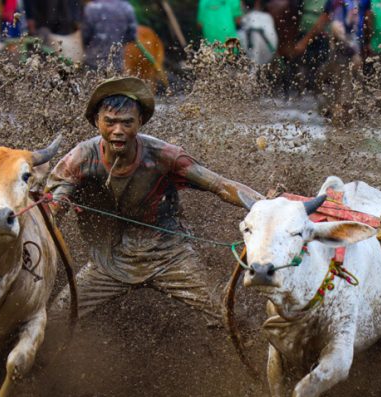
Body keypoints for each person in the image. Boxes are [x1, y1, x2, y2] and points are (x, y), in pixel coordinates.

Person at [45, 77, 263, 323]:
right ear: (97, 122)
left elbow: (221, 186)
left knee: (231, 316)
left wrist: (265, 205)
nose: (118, 130)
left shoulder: (164, 155)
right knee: (55, 320)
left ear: (140, 122)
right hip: (108, 262)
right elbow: (52, 205)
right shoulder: (81, 157)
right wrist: (55, 208)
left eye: (127, 122)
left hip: (169, 256)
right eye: (110, 122)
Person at [82, 0, 138, 70]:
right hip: (116, 64)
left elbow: (85, 36)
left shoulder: (91, 8)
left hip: (92, 63)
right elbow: (132, 36)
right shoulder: (127, 8)